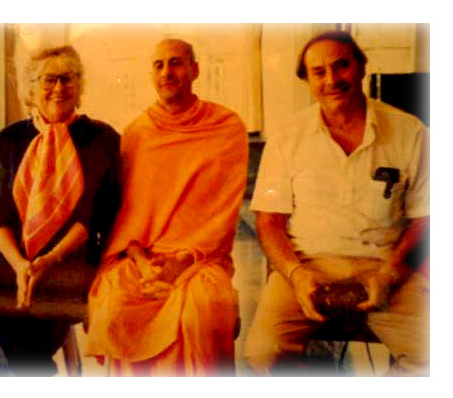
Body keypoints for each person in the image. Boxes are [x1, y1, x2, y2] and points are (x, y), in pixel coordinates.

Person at [244, 31, 429, 376]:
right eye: (319, 72)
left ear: (361, 68)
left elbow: (427, 219)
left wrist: (390, 274)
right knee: (263, 353)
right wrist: (297, 275)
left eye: (341, 66)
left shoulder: (411, 133)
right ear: (306, 80)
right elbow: (268, 221)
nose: (331, 80)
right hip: (308, 265)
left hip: (386, 266)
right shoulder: (287, 136)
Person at [83, 39, 248, 376]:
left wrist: (183, 260)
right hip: (143, 257)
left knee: (203, 308)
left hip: (201, 258)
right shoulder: (136, 135)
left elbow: (223, 214)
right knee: (115, 305)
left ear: (195, 70)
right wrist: (143, 262)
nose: (167, 72)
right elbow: (127, 218)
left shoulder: (226, 127)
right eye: (158, 65)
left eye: (176, 63)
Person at [0, 45, 121, 376]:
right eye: (48, 79)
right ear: (31, 89)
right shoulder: (10, 138)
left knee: (47, 298)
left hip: (72, 253)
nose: (59, 88)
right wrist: (21, 265)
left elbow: (94, 216)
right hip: (12, 251)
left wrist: (47, 261)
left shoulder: (101, 137)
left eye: (68, 79)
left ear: (80, 86)